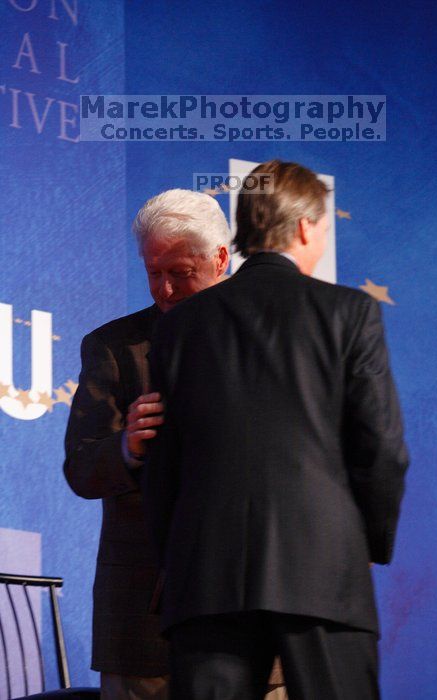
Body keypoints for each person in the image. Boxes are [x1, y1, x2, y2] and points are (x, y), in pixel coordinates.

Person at [143, 160, 410, 700]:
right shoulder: (350, 312)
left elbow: (163, 463)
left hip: (206, 580)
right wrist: (366, 542)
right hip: (323, 572)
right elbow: (381, 448)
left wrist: (180, 557)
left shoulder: (178, 327)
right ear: (308, 226)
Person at [63, 189, 230, 700]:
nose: (164, 288)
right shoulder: (113, 347)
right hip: (140, 618)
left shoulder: (267, 339)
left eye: (179, 271)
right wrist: (127, 448)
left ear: (220, 257)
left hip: (243, 606)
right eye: (153, 271)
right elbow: (81, 468)